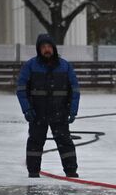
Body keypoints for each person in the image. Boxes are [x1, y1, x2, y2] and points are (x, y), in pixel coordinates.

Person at [16, 34, 80, 178]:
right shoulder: (30, 66)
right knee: (35, 143)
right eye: (43, 47)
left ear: (54, 48)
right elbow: (21, 90)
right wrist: (27, 109)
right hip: (37, 113)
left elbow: (74, 90)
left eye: (49, 46)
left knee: (65, 143)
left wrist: (72, 110)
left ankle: (71, 172)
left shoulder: (65, 66)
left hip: (60, 112)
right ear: (39, 49)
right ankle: (33, 172)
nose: (46, 50)